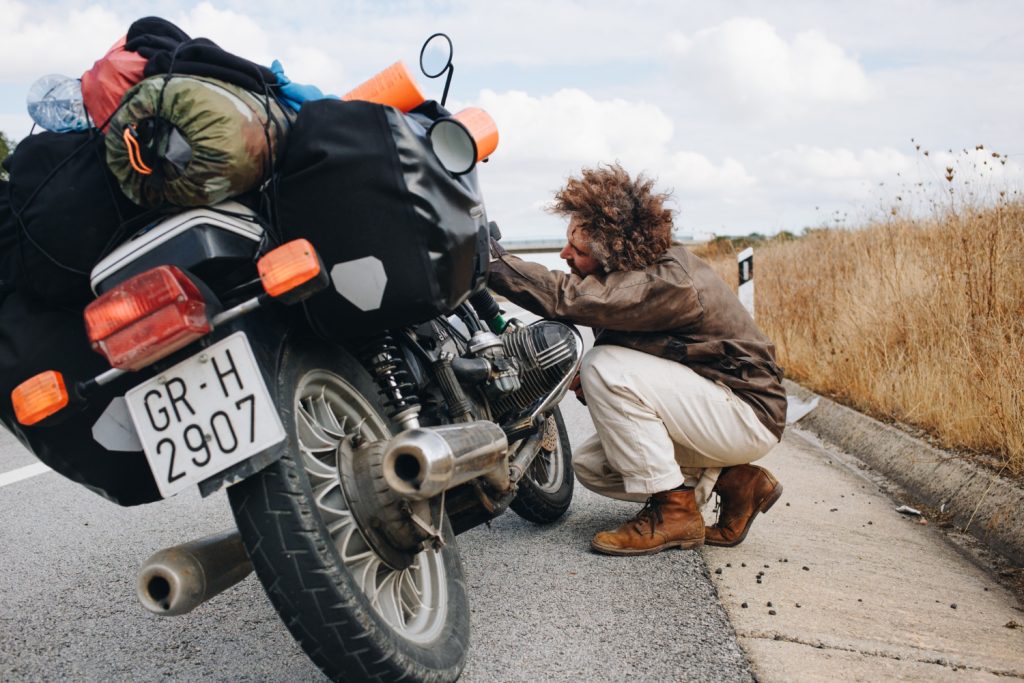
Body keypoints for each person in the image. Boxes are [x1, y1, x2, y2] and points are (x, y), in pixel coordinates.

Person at [488, 163, 787, 556]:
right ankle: (736, 483)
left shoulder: (668, 280)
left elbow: (570, 299)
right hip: (718, 407)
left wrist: (490, 263)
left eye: (577, 251)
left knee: (603, 366)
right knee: (594, 464)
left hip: (746, 411)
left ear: (613, 247)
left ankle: (674, 513)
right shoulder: (638, 274)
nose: (565, 255)